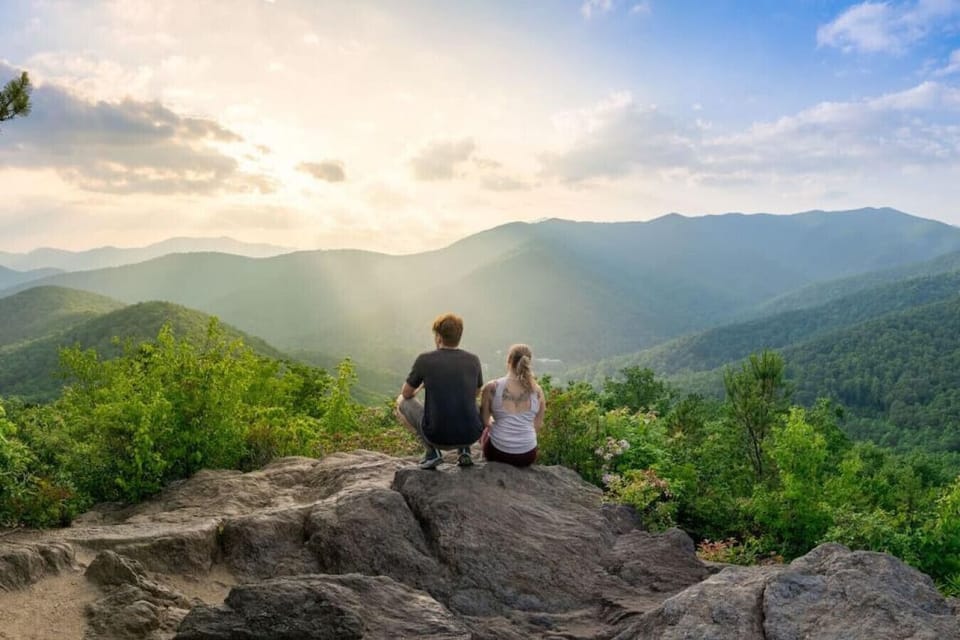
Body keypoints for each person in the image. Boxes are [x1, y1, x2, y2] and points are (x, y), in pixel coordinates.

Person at [395, 312, 484, 469]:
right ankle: (464, 450)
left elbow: (406, 393)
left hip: (437, 436)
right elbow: (476, 393)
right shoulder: (473, 360)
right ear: (459, 336)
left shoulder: (425, 360)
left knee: (402, 402)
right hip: (471, 435)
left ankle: (432, 452)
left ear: (438, 337)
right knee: (473, 402)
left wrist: (422, 386)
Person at [479, 344, 544, 467]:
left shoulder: (492, 387)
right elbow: (537, 426)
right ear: (529, 363)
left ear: (508, 360)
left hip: (498, 452)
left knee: (487, 431)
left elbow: (485, 421)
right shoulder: (537, 391)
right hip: (527, 455)